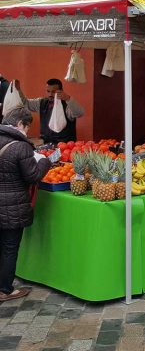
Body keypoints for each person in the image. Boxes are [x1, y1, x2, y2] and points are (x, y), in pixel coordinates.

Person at [0, 107, 51, 301]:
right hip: (13, 205)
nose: (28, 131)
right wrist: (44, 161)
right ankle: (5, 289)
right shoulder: (20, 146)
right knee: (9, 247)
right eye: (28, 127)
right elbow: (33, 176)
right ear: (21, 124)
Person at [16, 78, 84, 145]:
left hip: (64, 146)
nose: (50, 94)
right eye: (48, 91)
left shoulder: (67, 105)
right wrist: (18, 90)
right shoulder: (42, 102)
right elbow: (26, 103)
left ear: (61, 91)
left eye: (54, 92)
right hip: (45, 144)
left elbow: (79, 113)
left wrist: (68, 98)